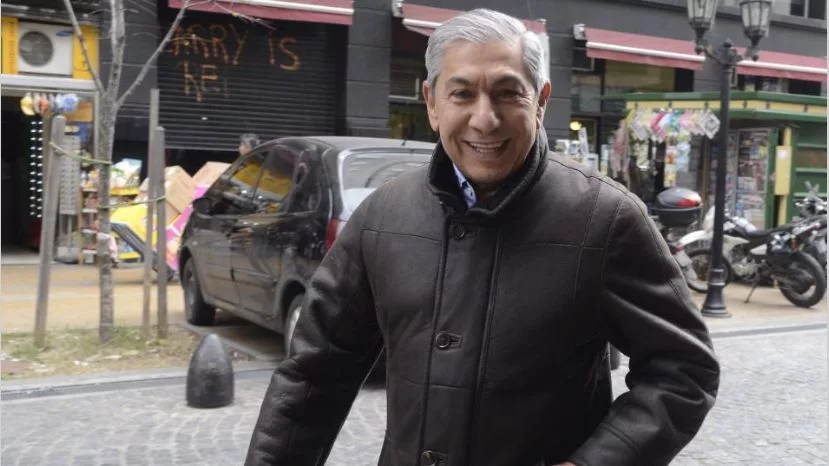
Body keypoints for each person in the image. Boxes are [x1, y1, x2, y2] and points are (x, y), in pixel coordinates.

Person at [245, 8, 719, 466]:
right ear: (431, 102)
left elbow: (684, 370)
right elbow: (314, 374)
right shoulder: (383, 216)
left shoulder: (606, 219)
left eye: (508, 93)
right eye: (462, 93)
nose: (485, 119)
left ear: (541, 100)